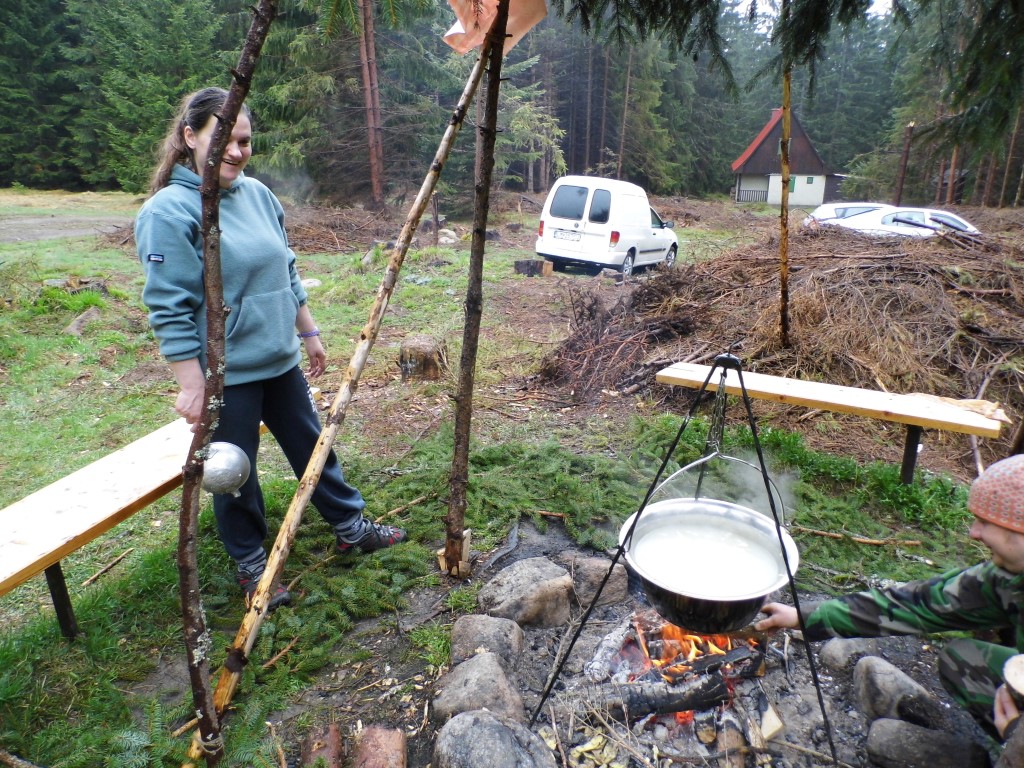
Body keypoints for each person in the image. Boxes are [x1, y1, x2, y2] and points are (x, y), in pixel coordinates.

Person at [135, 86, 406, 609]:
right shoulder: (168, 213)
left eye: (245, 141)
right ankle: (252, 564)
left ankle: (350, 527)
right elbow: (167, 307)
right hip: (227, 375)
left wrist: (308, 332)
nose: (237, 152)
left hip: (280, 361)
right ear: (190, 137)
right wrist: (192, 385)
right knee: (233, 472)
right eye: (224, 140)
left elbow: (286, 269)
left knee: (314, 448)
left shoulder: (258, 196)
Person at [756, 453, 1024, 742]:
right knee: (962, 659)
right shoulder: (1007, 578)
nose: (973, 533)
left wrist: (1016, 735)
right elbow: (914, 604)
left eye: (985, 522)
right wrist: (804, 616)